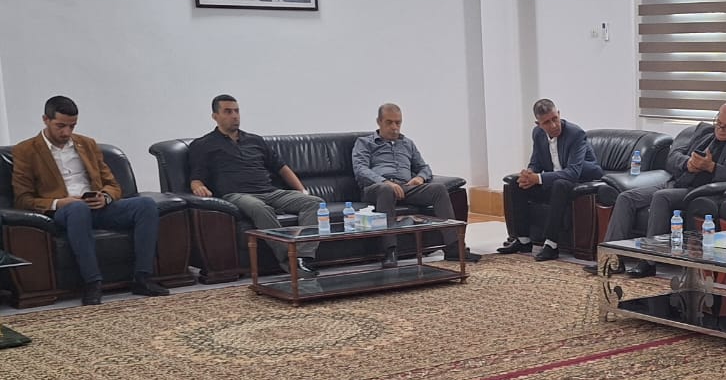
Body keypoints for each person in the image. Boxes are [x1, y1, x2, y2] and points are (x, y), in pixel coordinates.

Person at [11, 96, 169, 305]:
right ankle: (92, 283)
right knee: (77, 208)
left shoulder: (87, 144)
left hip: (97, 207)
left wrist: (105, 197)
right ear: (45, 120)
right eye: (60, 126)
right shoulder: (26, 151)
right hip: (64, 211)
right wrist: (59, 202)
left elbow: (113, 185)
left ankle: (142, 278)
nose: (66, 132)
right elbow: (23, 199)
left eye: (72, 126)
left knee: (146, 205)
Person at [588, 101, 726, 277]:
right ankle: (612, 260)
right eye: (719, 123)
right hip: (676, 182)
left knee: (661, 197)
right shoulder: (704, 132)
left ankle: (649, 261)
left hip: (698, 191)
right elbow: (672, 157)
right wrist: (687, 163)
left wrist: (711, 167)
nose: (721, 130)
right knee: (626, 197)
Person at [188, 95, 324, 277]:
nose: (234, 116)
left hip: (270, 192)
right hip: (237, 195)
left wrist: (302, 191)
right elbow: (196, 177)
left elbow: (282, 168)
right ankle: (289, 260)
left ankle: (303, 257)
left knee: (314, 202)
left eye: (236, 111)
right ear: (215, 116)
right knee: (260, 208)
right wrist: (197, 186)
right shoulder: (203, 145)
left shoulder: (255, 140)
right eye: (228, 112)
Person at [352, 103, 478, 267]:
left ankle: (453, 248)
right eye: (389, 122)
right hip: (376, 189)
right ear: (379, 122)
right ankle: (390, 251)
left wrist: (420, 178)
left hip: (406, 187)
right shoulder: (365, 143)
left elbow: (424, 167)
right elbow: (360, 169)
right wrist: (385, 182)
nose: (394, 127)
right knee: (386, 190)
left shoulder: (407, 143)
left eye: (398, 122)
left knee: (438, 189)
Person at [497, 99, 603, 261]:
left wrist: (538, 178)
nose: (553, 125)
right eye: (547, 122)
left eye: (555, 119)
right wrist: (529, 174)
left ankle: (551, 245)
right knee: (516, 184)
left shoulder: (575, 134)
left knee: (560, 185)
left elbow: (573, 172)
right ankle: (523, 240)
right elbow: (536, 162)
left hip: (580, 180)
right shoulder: (538, 133)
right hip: (554, 179)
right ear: (538, 124)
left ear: (559, 114)